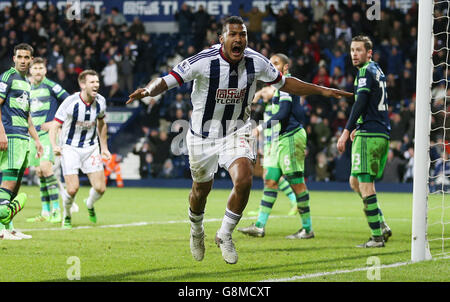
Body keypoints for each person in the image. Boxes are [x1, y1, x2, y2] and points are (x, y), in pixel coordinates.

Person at [126, 16, 351, 264]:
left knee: (244, 179)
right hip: (202, 137)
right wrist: (148, 91)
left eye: (242, 34)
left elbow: (286, 84)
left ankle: (224, 234)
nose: (238, 39)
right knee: (201, 191)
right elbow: (169, 79)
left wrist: (322, 90)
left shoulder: (256, 61)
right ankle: (197, 231)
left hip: (236, 131)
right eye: (233, 34)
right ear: (221, 38)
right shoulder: (203, 61)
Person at [238, 53, 315, 240]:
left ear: (285, 67)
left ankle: (307, 228)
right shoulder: (279, 87)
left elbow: (283, 112)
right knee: (270, 181)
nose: (272, 66)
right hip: (281, 139)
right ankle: (259, 226)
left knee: (297, 183)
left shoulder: (287, 83)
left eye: (276, 63)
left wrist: (261, 128)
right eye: (270, 63)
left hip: (291, 136)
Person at [337, 35, 392, 248]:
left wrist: (346, 130)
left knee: (366, 185)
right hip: (378, 132)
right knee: (355, 182)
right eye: (352, 50)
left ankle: (377, 237)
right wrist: (358, 125)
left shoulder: (364, 72)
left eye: (359, 50)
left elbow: (359, 103)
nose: (354, 54)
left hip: (369, 135)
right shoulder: (377, 69)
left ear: (369, 52)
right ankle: (382, 224)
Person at [49, 69, 111, 229]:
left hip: (91, 148)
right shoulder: (71, 102)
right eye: (92, 82)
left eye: (97, 82)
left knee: (100, 188)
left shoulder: (101, 102)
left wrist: (104, 147)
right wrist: (55, 145)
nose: (96, 85)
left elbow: (102, 123)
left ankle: (89, 204)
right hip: (70, 148)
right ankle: (67, 215)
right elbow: (55, 125)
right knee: (72, 188)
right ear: (82, 84)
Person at [0, 43, 43, 239]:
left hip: (23, 137)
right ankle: (1, 229)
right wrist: (1, 133)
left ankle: (8, 228)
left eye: (27, 57)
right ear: (14, 58)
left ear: (31, 60)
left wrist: (37, 140)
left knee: (16, 185)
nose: (23, 61)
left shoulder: (27, 83)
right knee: (8, 182)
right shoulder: (8, 76)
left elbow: (27, 116)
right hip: (10, 135)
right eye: (20, 57)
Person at [26, 57, 70, 224]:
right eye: (35, 68)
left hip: (47, 135)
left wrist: (55, 123)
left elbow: (69, 103)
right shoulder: (27, 88)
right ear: (31, 71)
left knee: (46, 168)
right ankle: (45, 212)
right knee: (39, 172)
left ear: (45, 70)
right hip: (33, 136)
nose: (38, 71)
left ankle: (57, 210)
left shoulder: (52, 86)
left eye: (40, 68)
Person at [245, 84, 298, 220]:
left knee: (271, 176)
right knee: (269, 176)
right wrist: (258, 95)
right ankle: (292, 200)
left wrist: (262, 93)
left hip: (277, 142)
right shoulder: (266, 106)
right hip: (269, 143)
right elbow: (253, 112)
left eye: (265, 91)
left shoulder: (278, 101)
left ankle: (294, 200)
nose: (263, 95)